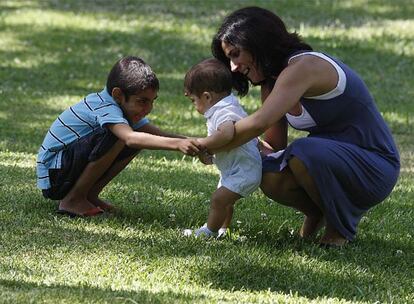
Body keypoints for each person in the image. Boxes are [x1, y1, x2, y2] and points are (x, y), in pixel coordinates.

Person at [211, 7, 400, 246]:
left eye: (235, 54)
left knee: (303, 152)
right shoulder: (271, 83)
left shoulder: (304, 66)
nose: (233, 67)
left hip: (375, 166)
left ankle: (339, 230)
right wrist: (242, 151)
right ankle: (318, 213)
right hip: (332, 163)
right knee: (268, 172)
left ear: (257, 42)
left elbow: (260, 121)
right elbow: (273, 146)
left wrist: (209, 144)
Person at [37, 56, 201, 217]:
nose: (149, 108)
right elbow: (130, 137)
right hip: (55, 176)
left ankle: (88, 196)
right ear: (118, 95)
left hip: (63, 170)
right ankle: (73, 200)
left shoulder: (119, 108)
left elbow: (153, 133)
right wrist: (177, 144)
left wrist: (191, 142)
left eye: (152, 101)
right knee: (121, 136)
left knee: (138, 137)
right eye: (142, 101)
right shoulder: (106, 107)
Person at [183, 58, 262, 238]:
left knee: (218, 200)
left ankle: (208, 232)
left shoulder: (223, 111)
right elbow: (223, 143)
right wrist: (208, 154)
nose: (194, 106)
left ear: (207, 97)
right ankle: (222, 229)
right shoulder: (225, 106)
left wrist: (202, 144)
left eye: (194, 100)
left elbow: (226, 134)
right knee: (226, 202)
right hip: (235, 168)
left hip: (244, 170)